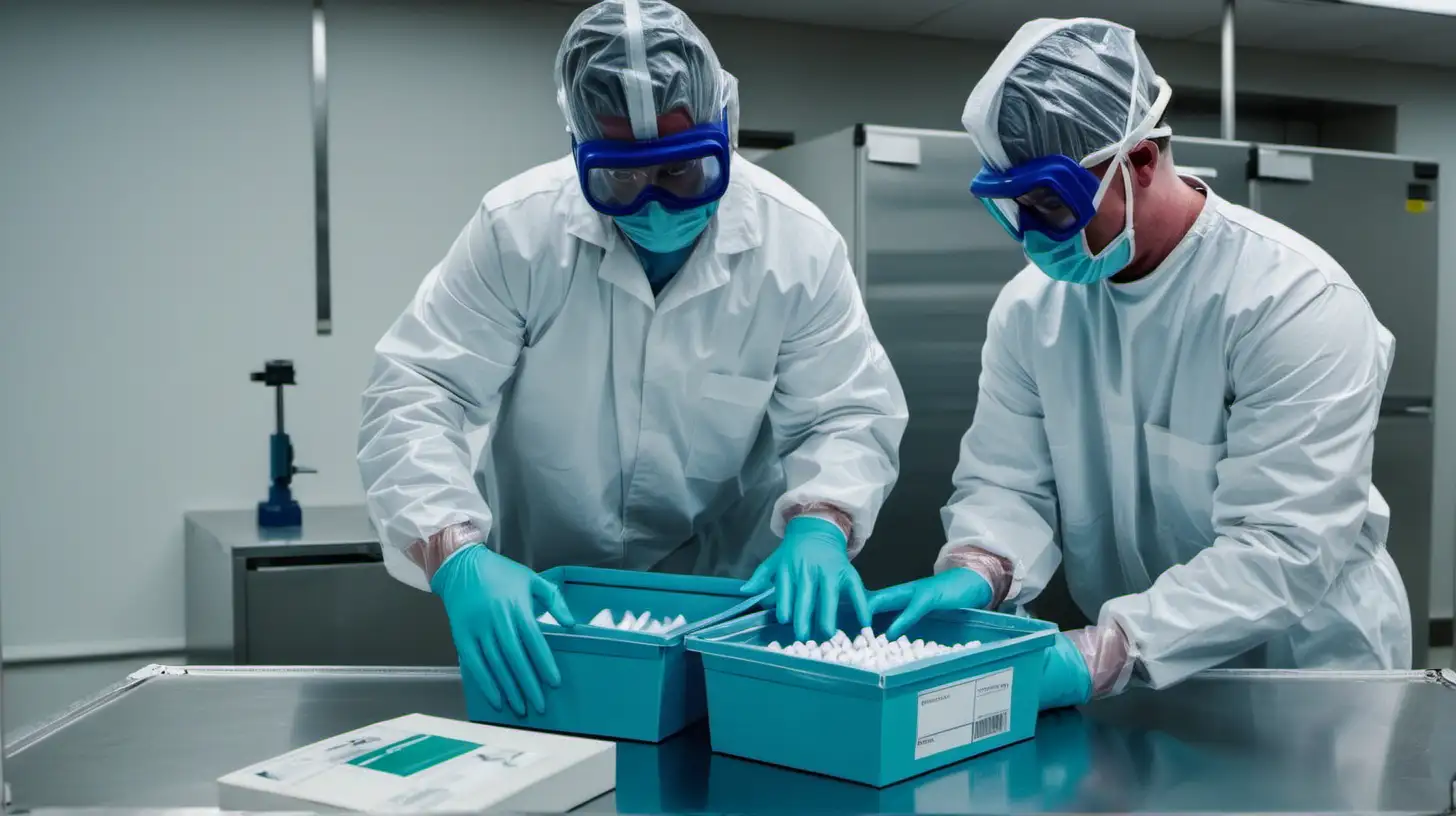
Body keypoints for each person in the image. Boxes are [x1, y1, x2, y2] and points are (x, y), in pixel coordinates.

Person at [358, 0, 906, 719]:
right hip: (550, 606)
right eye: (620, 178)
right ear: (578, 148)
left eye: (684, 173)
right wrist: (455, 553)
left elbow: (846, 410)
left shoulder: (797, 247)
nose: (653, 205)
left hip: (728, 606)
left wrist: (821, 521)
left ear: (727, 132)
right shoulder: (519, 232)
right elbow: (419, 390)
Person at [869, 17, 1411, 710]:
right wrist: (983, 564)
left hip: (1305, 675)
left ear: (1143, 161)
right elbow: (1008, 481)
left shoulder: (1290, 300)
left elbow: (1284, 545)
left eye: (1051, 203)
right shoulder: (1033, 311)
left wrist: (1106, 648)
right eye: (1014, 209)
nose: (1032, 235)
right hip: (1142, 668)